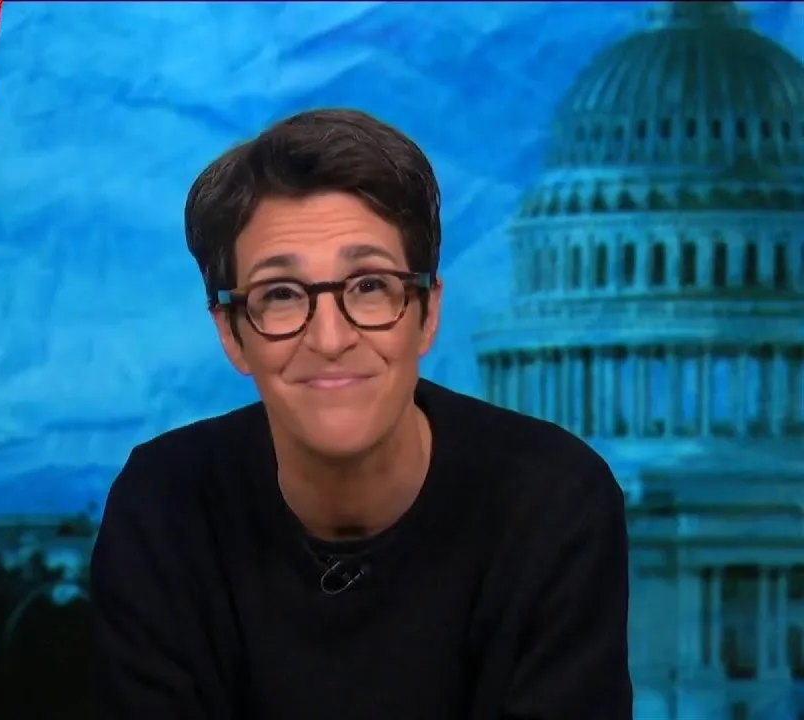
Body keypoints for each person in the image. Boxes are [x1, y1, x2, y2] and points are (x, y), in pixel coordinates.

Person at [90, 109, 632, 718]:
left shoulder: (556, 504)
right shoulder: (164, 505)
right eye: (280, 294)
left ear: (426, 313)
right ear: (232, 334)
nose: (330, 338)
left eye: (370, 286)